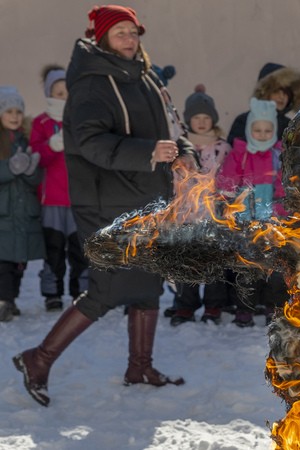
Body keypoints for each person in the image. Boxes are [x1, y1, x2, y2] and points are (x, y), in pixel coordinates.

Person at [13, 5, 198, 407]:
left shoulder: (145, 77)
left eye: (134, 32)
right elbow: (90, 143)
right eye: (121, 33)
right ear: (102, 39)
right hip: (106, 202)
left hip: (145, 196)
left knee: (148, 282)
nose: (130, 39)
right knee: (106, 289)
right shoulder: (92, 85)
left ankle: (140, 367)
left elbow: (165, 129)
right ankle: (38, 359)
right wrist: (150, 152)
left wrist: (181, 150)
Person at [217, 98, 289, 327]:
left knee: (273, 265)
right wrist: (231, 197)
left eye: (267, 130)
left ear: (274, 131)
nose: (262, 134)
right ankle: (245, 307)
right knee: (247, 265)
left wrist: (281, 206)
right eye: (257, 129)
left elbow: (284, 182)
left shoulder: (278, 155)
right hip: (246, 218)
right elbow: (227, 180)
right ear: (249, 129)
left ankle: (272, 305)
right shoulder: (241, 153)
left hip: (272, 217)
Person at [169, 85, 233, 325]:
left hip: (212, 213)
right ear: (189, 120)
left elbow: (228, 178)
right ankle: (186, 304)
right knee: (187, 261)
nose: (202, 122)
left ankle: (213, 305)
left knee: (213, 261)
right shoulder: (179, 147)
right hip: (184, 212)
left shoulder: (221, 147)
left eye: (206, 117)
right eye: (197, 117)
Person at [30, 64, 89, 313]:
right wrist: (52, 145)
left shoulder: (81, 121)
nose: (63, 97)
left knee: (79, 249)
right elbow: (36, 158)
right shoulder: (41, 123)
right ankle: (52, 293)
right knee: (53, 249)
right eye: (58, 93)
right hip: (51, 199)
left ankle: (81, 291)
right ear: (49, 94)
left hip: (78, 198)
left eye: (67, 92)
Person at [0, 86, 44, 322]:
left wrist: (29, 171)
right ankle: (3, 301)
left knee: (19, 263)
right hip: (3, 214)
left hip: (24, 212)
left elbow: (36, 180)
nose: (15, 116)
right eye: (9, 111)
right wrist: (10, 167)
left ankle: (11, 300)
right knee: (3, 262)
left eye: (18, 111)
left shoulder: (27, 140)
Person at [227, 63, 300, 145]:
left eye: (287, 93)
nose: (281, 96)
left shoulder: (289, 126)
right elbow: (233, 151)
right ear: (265, 92)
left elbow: (295, 150)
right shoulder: (244, 120)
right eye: (276, 91)